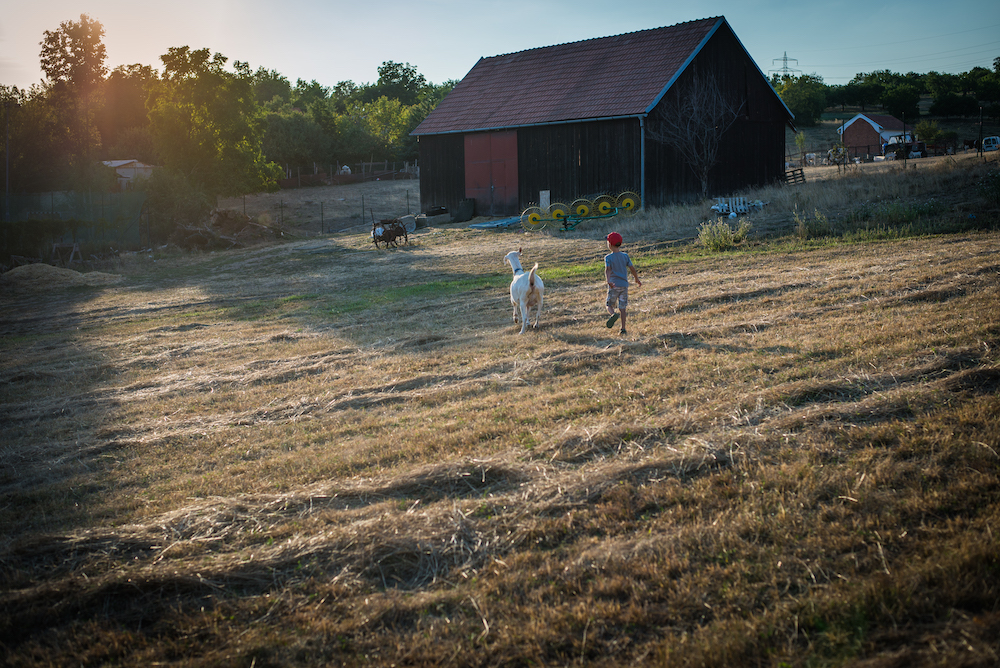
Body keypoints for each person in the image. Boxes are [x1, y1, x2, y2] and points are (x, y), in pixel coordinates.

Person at [603, 232, 641, 335]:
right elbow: (632, 268)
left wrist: (608, 281)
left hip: (614, 285)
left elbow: (608, 270)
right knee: (623, 308)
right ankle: (623, 329)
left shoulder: (608, 258)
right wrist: (636, 279)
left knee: (609, 305)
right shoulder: (625, 256)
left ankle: (613, 314)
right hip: (624, 285)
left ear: (610, 245)